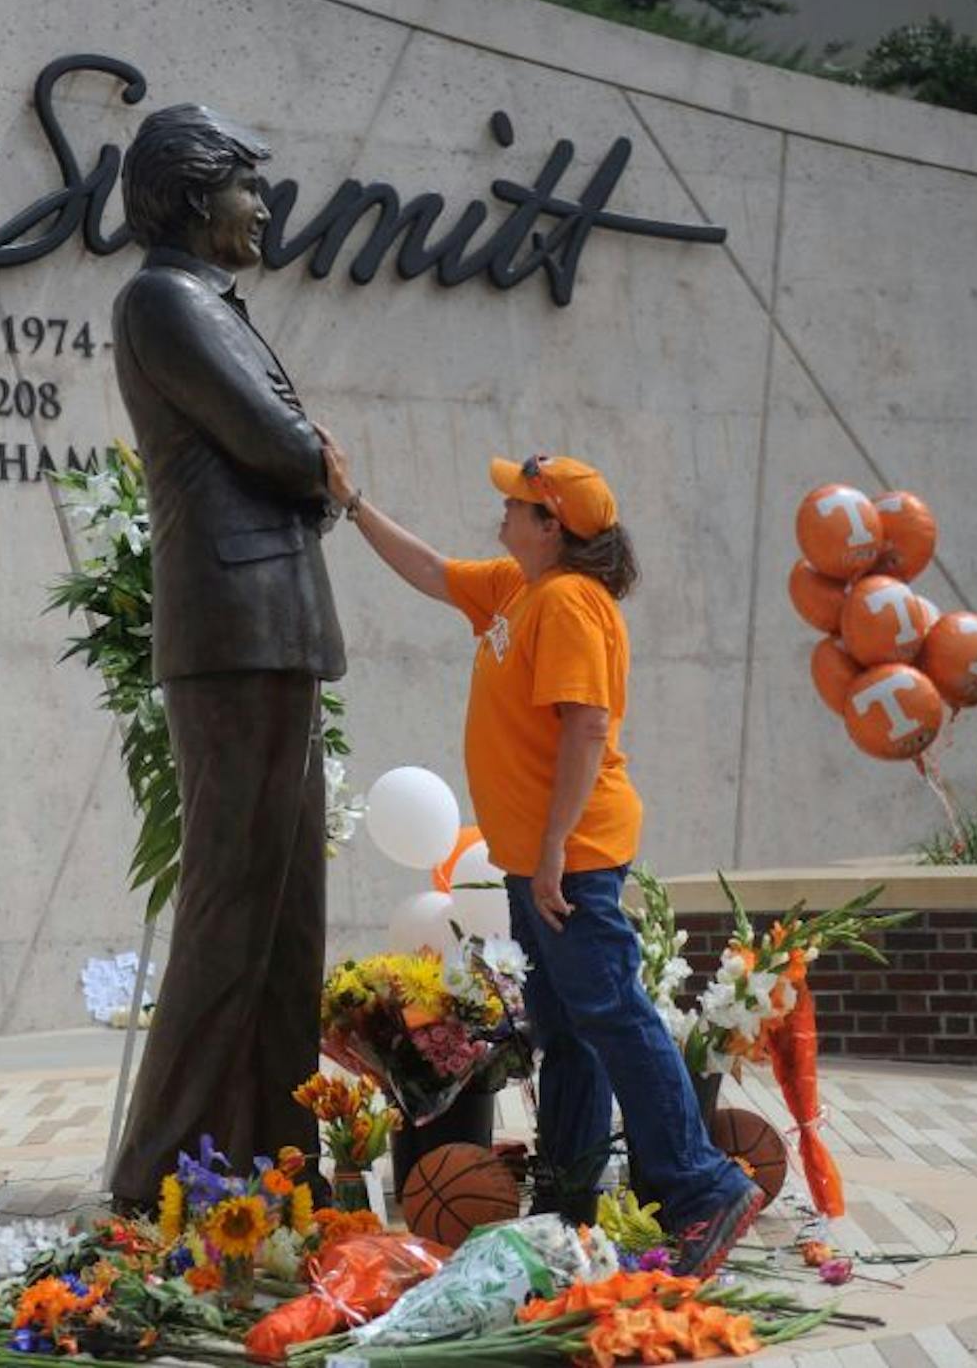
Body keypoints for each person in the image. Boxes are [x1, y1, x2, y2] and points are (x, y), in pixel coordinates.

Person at [317, 442, 761, 1278]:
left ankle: (701, 1189)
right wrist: (353, 500)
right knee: (568, 1030)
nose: (504, 511)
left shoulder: (566, 605)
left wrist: (554, 852)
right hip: (539, 859)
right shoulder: (517, 588)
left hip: (574, 857)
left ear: (551, 525)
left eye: (518, 504)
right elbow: (429, 569)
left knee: (612, 1015)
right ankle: (570, 1199)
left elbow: (587, 727)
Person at [105, 105, 345, 1211]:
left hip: (275, 628)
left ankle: (275, 1162)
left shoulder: (215, 303)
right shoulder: (163, 298)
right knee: (231, 907)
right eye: (248, 185)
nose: (263, 205)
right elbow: (287, 447)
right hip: (235, 635)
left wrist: (314, 469)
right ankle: (162, 1174)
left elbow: (306, 470)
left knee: (290, 918)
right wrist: (313, 463)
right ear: (198, 194)